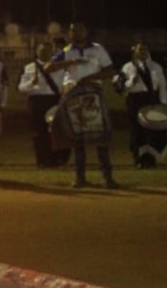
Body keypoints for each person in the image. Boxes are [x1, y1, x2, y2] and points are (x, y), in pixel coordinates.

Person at [46, 22, 119, 189]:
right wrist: (69, 62)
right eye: (73, 31)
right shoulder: (65, 51)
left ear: (86, 31)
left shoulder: (98, 49)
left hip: (93, 93)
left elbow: (109, 70)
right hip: (73, 94)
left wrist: (91, 78)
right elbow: (48, 67)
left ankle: (108, 178)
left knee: (101, 136)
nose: (77, 33)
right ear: (69, 34)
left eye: (80, 29)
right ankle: (80, 177)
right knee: (76, 137)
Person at [112, 40, 167, 168]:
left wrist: (163, 103)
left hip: (152, 99)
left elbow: (162, 86)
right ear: (135, 51)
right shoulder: (128, 67)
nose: (143, 52)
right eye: (140, 49)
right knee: (137, 131)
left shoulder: (156, 66)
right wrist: (131, 83)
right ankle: (138, 158)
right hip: (135, 100)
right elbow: (120, 87)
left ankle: (150, 158)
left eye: (145, 49)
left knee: (152, 130)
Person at [17, 41, 66, 168]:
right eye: (42, 50)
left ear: (53, 51)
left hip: (55, 99)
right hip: (37, 101)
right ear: (37, 51)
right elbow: (21, 88)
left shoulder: (59, 66)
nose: (45, 52)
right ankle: (42, 160)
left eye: (48, 50)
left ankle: (57, 159)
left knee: (57, 131)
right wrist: (32, 83)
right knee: (39, 132)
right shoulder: (29, 67)